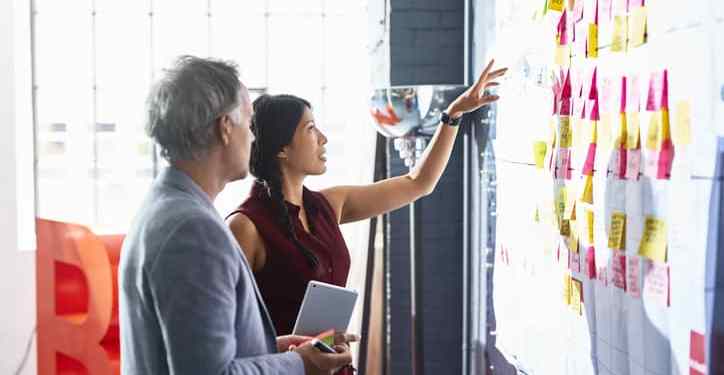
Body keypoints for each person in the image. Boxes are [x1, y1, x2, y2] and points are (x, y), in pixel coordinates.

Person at [226, 60, 507, 337]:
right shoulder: (246, 227)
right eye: (310, 129)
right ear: (281, 149)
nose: (323, 138)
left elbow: (418, 182)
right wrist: (291, 353)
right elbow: (227, 337)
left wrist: (453, 114)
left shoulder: (327, 206)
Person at [119, 55, 353, 375]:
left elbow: (199, 352)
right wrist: (300, 364)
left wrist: (278, 350)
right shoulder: (192, 230)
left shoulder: (170, 208)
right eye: (248, 121)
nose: (254, 136)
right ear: (225, 128)